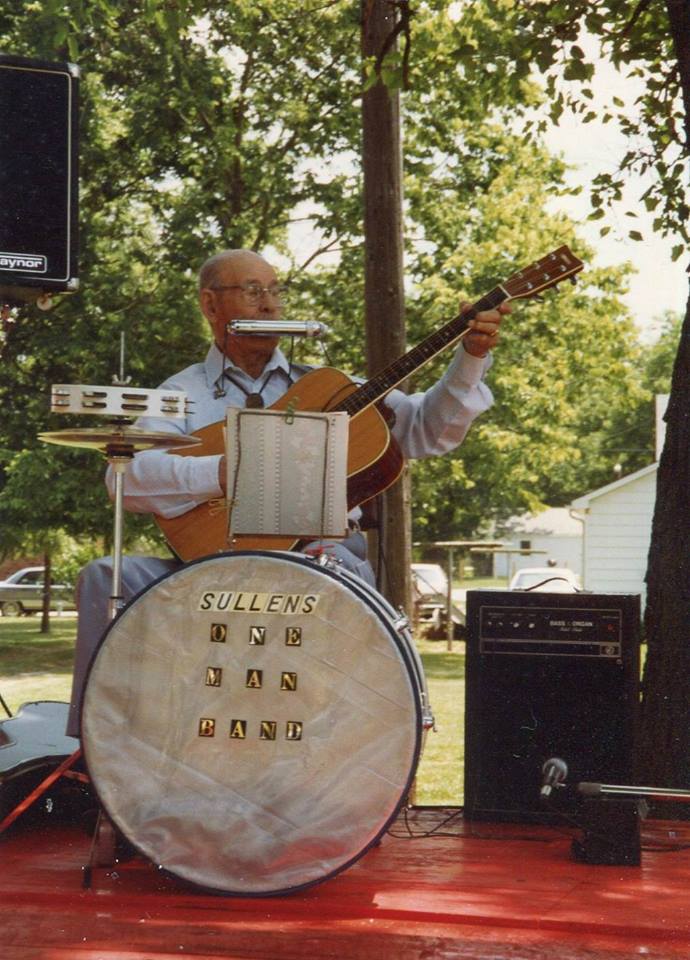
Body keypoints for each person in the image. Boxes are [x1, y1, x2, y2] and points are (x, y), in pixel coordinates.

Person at [66, 248, 508, 736]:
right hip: (211, 565)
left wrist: (471, 357)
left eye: (275, 291)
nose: (270, 304)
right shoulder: (182, 393)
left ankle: (350, 756)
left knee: (343, 576)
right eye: (253, 291)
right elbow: (124, 478)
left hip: (321, 554)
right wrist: (225, 471)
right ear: (210, 305)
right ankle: (97, 753)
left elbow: (427, 430)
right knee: (104, 575)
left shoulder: (331, 385)